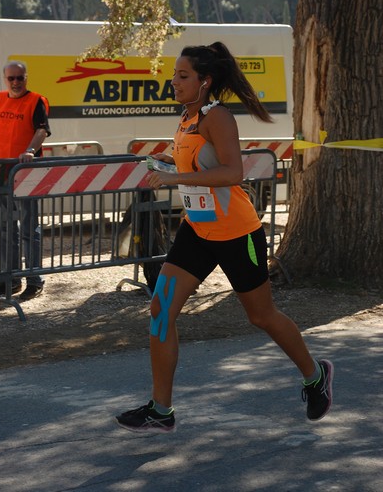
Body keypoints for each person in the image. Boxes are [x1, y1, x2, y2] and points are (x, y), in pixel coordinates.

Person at [115, 42, 334, 433]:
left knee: (260, 315)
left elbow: (233, 173)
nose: (175, 81)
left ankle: (315, 374)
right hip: (197, 229)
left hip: (236, 232)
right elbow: (197, 165)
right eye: (175, 74)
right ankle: (161, 408)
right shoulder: (186, 117)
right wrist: (164, 164)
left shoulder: (218, 117)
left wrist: (175, 177)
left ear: (205, 81)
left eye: (183, 76)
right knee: (161, 311)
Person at [0, 61, 51, 301]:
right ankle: (8, 280)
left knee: (29, 229)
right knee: (5, 228)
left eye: (19, 78)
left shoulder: (36, 101)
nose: (15, 82)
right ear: (5, 79)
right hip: (1, 172)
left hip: (25, 172)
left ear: (26, 77)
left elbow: (42, 130)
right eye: (11, 78)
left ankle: (34, 280)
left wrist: (30, 150)